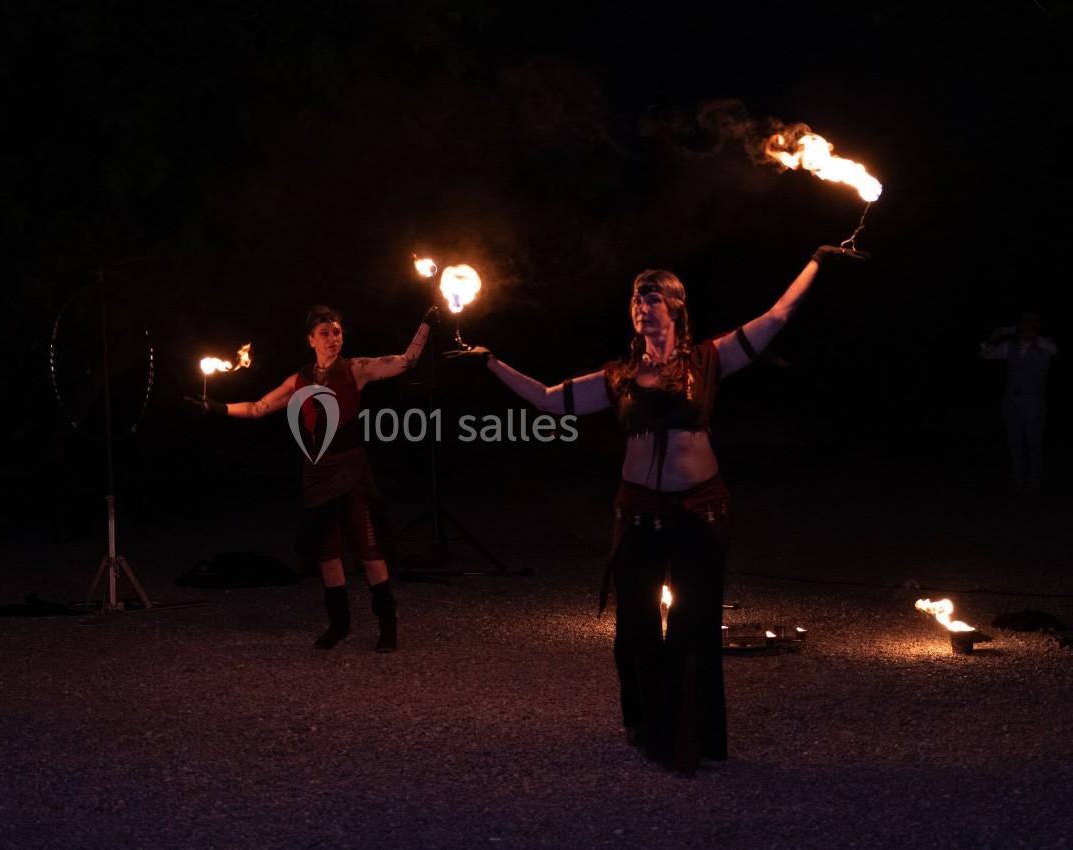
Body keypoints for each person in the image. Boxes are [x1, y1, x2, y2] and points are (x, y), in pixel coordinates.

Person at [449, 246, 861, 773]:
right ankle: (647, 727)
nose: (642, 306)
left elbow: (777, 317)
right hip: (638, 511)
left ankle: (690, 738)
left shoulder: (709, 359)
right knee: (636, 626)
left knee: (693, 623)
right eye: (636, 299)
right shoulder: (618, 375)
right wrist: (489, 361)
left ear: (675, 307)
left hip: (701, 510)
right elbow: (550, 398)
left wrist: (817, 263)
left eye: (653, 297)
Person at [193, 304, 437, 651]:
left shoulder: (356, 369)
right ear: (311, 339)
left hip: (351, 471)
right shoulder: (299, 381)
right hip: (318, 475)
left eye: (337, 332)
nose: (333, 338)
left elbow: (406, 361)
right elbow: (259, 407)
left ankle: (388, 625)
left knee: (368, 549)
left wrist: (425, 324)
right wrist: (215, 408)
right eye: (325, 333)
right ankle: (339, 625)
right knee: (328, 553)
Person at [980, 311, 1058, 494]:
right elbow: (986, 354)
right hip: (1011, 402)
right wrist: (994, 337)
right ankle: (1018, 482)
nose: (1025, 325)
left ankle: (1034, 484)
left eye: (1029, 322)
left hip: (1034, 402)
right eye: (1023, 322)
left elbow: (1054, 350)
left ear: (1036, 325)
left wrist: (1028, 332)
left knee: (1034, 444)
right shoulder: (1011, 346)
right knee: (1014, 443)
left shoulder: (1045, 345)